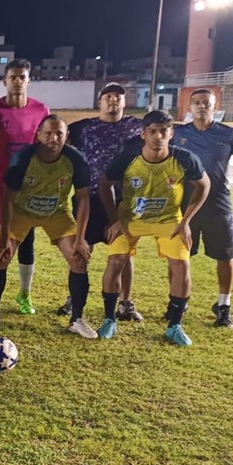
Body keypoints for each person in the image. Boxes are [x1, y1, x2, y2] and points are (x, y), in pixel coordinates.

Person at [99, 109, 210, 346]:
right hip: (131, 220)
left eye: (163, 131)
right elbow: (105, 184)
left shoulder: (184, 158)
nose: (158, 136)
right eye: (152, 131)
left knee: (181, 265)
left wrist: (186, 221)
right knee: (115, 260)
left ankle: (175, 326)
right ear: (143, 134)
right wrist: (114, 219)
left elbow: (204, 185)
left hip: (169, 220)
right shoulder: (128, 157)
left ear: (172, 133)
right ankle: (109, 319)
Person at [0, 115, 98, 338]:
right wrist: (4, 234)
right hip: (22, 212)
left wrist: (80, 238)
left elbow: (83, 199)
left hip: (56, 213)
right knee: (1, 256)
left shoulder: (76, 160)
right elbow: (9, 198)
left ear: (66, 136)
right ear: (38, 135)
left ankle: (77, 319)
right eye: (48, 133)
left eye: (59, 133)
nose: (53, 138)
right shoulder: (23, 158)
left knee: (78, 259)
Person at [57, 83, 144, 322]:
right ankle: (74, 297)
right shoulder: (84, 128)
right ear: (100, 102)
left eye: (118, 96)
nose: (113, 100)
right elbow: (57, 134)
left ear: (125, 102)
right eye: (108, 96)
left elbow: (167, 132)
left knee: (124, 254)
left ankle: (125, 303)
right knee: (82, 248)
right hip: (91, 197)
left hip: (124, 199)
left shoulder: (138, 127)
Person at [173, 89, 233, 328]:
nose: (201, 107)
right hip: (185, 206)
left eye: (206, 103)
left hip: (219, 204)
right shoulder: (178, 133)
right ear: (189, 107)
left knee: (226, 256)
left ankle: (223, 305)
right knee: (179, 256)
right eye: (196, 103)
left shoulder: (229, 134)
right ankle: (178, 300)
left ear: (214, 106)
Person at [0, 59, 49, 315]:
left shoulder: (41, 110)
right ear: (5, 81)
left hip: (25, 188)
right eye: (13, 77)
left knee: (26, 241)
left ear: (29, 80)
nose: (18, 81)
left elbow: (44, 145)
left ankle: (24, 294)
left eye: (23, 77)